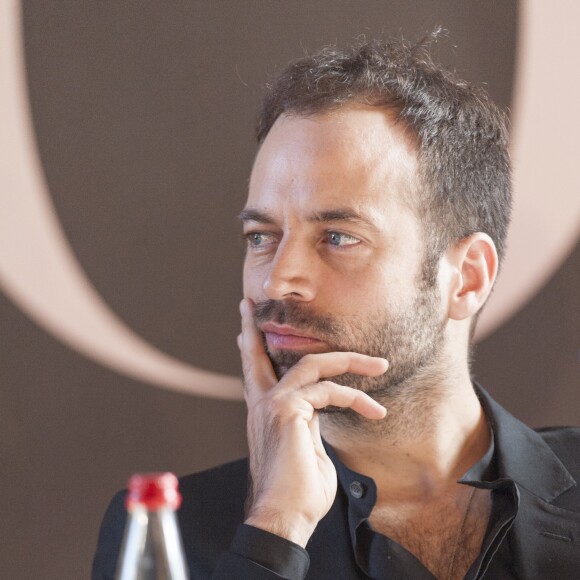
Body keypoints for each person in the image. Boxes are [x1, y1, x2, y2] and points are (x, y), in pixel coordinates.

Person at [92, 34, 580, 579]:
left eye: (338, 237)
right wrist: (276, 527)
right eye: (261, 236)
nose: (278, 280)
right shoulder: (172, 532)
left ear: (466, 278)